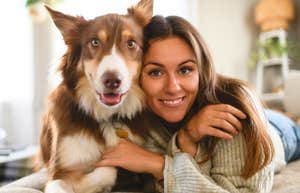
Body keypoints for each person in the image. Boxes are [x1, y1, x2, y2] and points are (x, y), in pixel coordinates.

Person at [94, 15, 278, 193]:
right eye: (156, 72)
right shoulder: (126, 118)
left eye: (185, 70)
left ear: (201, 69)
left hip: (277, 130)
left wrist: (160, 166)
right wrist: (186, 139)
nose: (173, 87)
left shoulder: (235, 103)